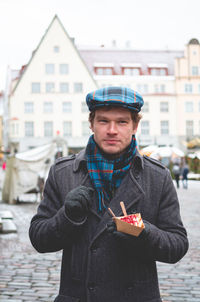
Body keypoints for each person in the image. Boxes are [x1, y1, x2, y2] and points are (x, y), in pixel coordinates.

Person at [29, 87, 188, 302]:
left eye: (122, 122)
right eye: (103, 121)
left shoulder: (157, 176)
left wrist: (143, 231)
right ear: (91, 123)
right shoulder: (63, 172)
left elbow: (177, 245)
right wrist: (67, 216)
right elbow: (39, 239)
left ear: (135, 126)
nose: (112, 130)